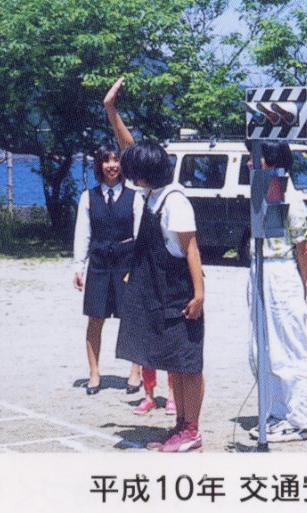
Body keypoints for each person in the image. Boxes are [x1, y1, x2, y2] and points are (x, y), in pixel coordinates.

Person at [105, 77, 205, 452]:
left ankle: (192, 430)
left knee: (188, 364)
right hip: (160, 291)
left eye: (133, 172)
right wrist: (111, 110)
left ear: (145, 175)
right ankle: (179, 426)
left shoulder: (174, 201)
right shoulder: (153, 191)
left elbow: (192, 250)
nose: (128, 173)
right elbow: (130, 149)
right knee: (173, 363)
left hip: (180, 292)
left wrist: (199, 295)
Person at [247, 141, 307, 443]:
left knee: (288, 347)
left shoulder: (290, 196)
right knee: (262, 348)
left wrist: (302, 285)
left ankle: (298, 420)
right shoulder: (261, 190)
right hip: (259, 268)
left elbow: (304, 247)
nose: (250, 162)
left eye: (255, 157)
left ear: (270, 161)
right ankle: (276, 411)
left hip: (281, 270)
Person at [72, 144, 142, 395]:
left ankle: (135, 371)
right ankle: (94, 373)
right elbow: (82, 233)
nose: (111, 166)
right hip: (100, 263)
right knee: (95, 318)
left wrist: (139, 267)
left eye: (115, 161)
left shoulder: (135, 196)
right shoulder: (88, 197)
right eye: (106, 161)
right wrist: (79, 266)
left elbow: (139, 234)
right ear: (99, 166)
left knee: (131, 318)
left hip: (126, 262)